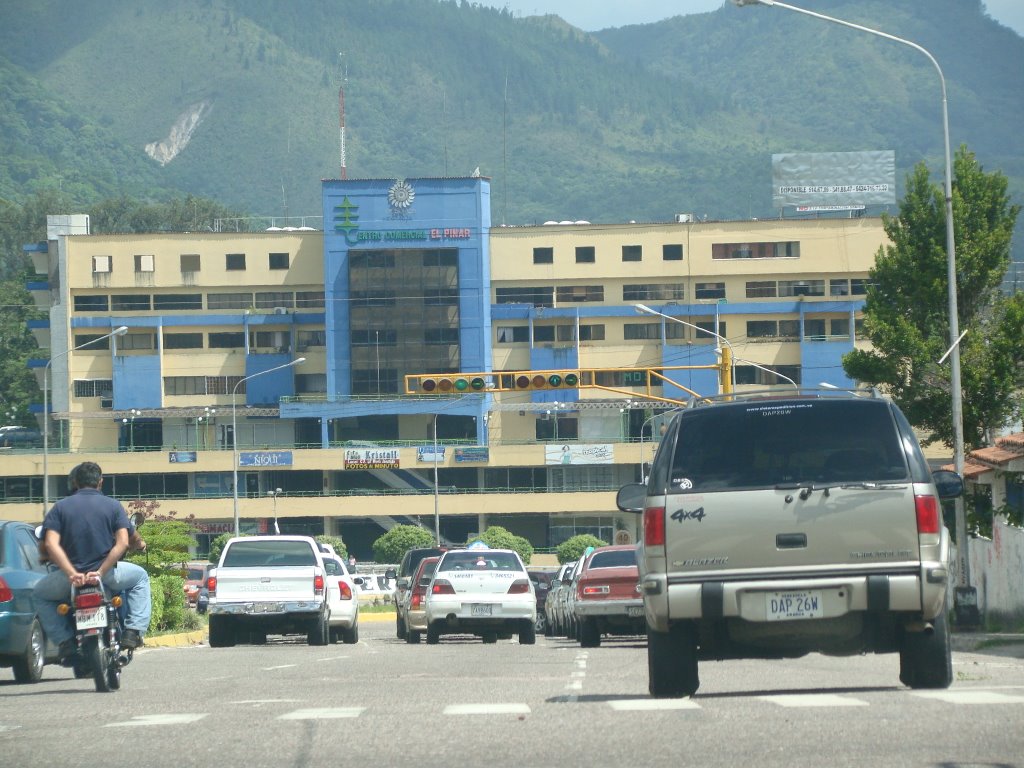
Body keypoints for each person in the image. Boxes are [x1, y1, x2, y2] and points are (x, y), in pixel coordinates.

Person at [33, 461, 152, 662]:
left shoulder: (60, 507)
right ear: (100, 482)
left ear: (76, 482)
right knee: (141, 577)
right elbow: (123, 542)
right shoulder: (113, 506)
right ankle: (133, 631)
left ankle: (65, 641)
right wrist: (101, 571)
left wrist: (72, 573)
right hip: (107, 576)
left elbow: (51, 545)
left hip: (71, 579)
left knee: (39, 594)